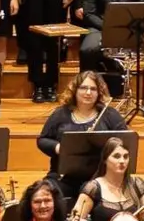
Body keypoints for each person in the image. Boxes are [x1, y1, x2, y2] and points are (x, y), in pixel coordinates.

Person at [37, 70, 127, 198]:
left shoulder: (110, 115)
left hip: (100, 177)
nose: (88, 93)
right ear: (75, 90)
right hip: (63, 177)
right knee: (46, 194)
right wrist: (59, 147)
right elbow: (43, 139)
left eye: (93, 89)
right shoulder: (60, 114)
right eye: (83, 88)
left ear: (99, 92)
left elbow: (125, 141)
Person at [74, 137, 144, 221]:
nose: (122, 161)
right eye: (116, 156)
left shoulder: (137, 184)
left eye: (126, 156)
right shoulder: (93, 187)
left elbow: (143, 220)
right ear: (105, 160)